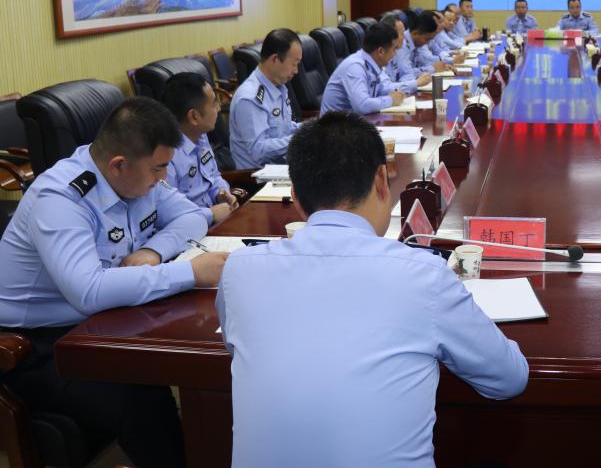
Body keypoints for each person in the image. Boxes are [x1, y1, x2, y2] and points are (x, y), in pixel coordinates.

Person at [217, 112, 529, 467]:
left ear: (296, 199)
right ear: (382, 179)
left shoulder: (238, 270)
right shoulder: (424, 275)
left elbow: (239, 345)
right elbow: (509, 378)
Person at [0, 97, 228, 468]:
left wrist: (153, 251)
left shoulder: (137, 176)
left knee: (187, 366)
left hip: (101, 323)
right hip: (35, 346)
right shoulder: (60, 198)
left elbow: (193, 217)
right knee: (142, 397)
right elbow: (88, 291)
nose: (163, 179)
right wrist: (189, 272)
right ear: (118, 165)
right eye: (158, 169)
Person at [161, 72, 238, 225]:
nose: (219, 108)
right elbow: (168, 212)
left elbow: (213, 175)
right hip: (193, 229)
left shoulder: (200, 135)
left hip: (216, 220)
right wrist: (211, 214)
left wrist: (220, 193)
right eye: (214, 104)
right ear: (194, 116)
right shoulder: (165, 155)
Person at [229, 28, 302, 169]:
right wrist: (300, 139)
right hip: (257, 176)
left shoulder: (278, 86)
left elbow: (283, 129)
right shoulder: (249, 98)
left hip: (281, 167)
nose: (296, 71)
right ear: (275, 59)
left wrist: (310, 128)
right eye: (294, 64)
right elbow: (259, 150)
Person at [321, 23, 406, 115]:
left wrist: (398, 94)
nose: (394, 55)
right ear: (380, 51)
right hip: (335, 123)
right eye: (394, 49)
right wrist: (390, 100)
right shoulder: (355, 67)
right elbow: (362, 106)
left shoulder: (372, 64)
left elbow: (381, 90)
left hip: (353, 120)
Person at [380, 11, 431, 94]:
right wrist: (415, 83)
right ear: (391, 36)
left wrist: (402, 86)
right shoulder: (379, 55)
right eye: (402, 33)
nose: (404, 38)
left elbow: (407, 74)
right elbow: (386, 88)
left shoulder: (396, 50)